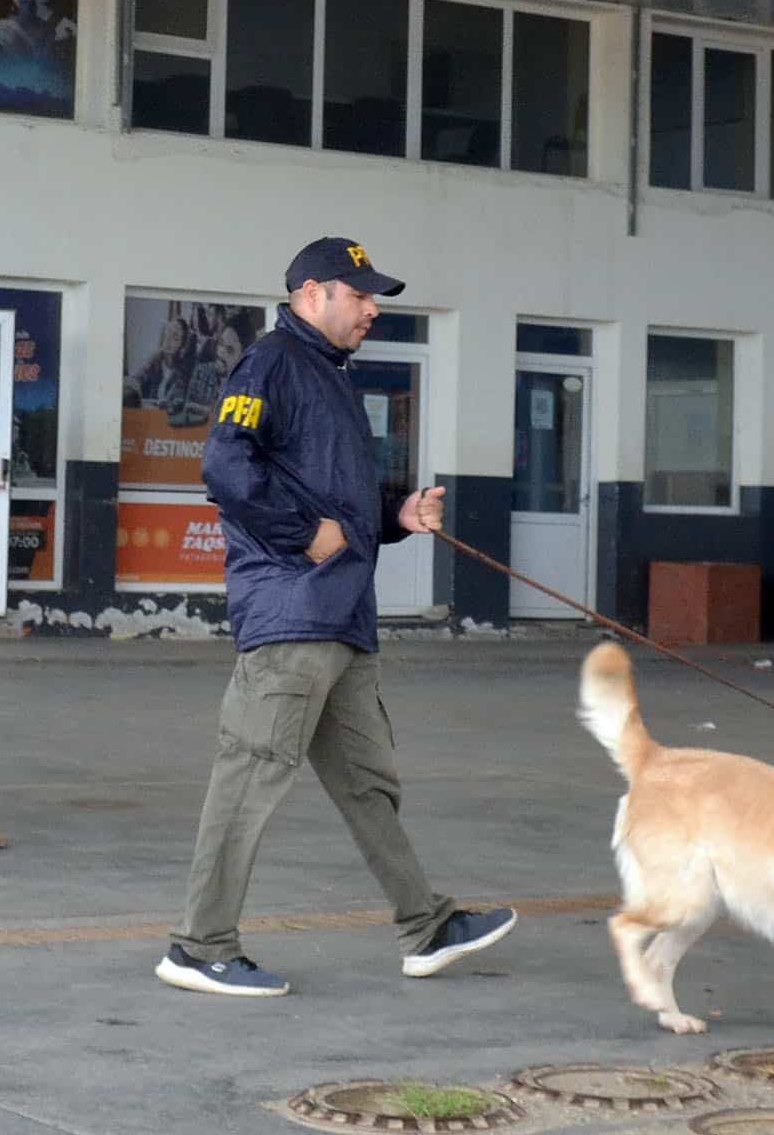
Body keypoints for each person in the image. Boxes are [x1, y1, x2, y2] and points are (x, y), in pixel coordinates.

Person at [155, 236, 516, 997]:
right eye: (360, 295)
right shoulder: (271, 363)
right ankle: (198, 945)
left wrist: (395, 514)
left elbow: (332, 495)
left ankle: (425, 924)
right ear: (313, 293)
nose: (372, 309)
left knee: (366, 782)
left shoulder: (330, 376)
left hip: (342, 614)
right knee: (250, 774)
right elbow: (225, 466)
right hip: (293, 610)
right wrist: (302, 532)